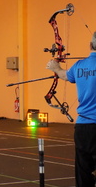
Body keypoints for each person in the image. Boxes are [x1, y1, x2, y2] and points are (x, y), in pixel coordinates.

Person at [46, 32, 96, 187]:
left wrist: (55, 67)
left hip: (84, 127)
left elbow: (64, 75)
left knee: (83, 170)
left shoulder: (79, 66)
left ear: (90, 46)